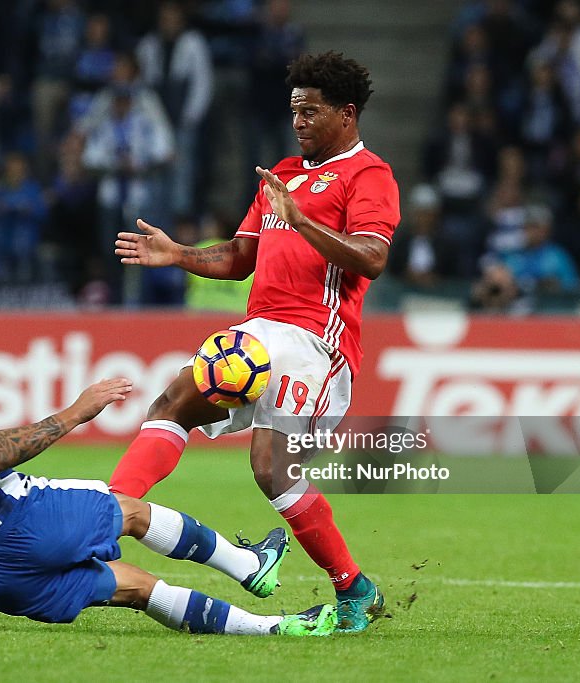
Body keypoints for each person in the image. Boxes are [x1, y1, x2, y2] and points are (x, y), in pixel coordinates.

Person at [0, 298, 336, 637]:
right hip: (18, 523)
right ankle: (249, 566)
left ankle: (276, 628)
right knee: (128, 510)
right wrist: (76, 412)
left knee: (137, 589)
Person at [109, 51, 400, 633]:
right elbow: (241, 257)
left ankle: (354, 587)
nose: (298, 122)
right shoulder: (283, 173)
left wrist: (301, 222)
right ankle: (100, 517)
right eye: (294, 111)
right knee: (170, 406)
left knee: (271, 468)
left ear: (347, 115)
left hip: (316, 341)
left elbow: (373, 257)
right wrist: (179, 255)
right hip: (258, 332)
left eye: (311, 112)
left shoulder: (370, 175)